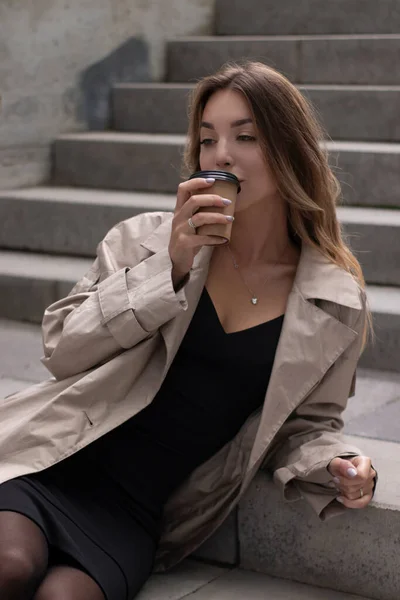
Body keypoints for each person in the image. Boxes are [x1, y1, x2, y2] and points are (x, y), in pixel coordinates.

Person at [0, 61, 376, 600]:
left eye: (245, 136)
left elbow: (306, 424)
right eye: (207, 139)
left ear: (289, 150)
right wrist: (168, 269)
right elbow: (62, 348)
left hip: (131, 513)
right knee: (9, 567)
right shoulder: (143, 242)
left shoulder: (334, 299)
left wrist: (338, 466)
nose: (220, 154)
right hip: (52, 460)